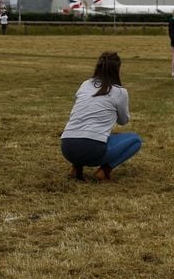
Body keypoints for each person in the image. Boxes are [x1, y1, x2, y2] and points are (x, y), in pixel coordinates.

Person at [60, 51, 142, 181]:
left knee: (94, 134)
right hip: (92, 149)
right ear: (117, 70)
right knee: (135, 140)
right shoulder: (120, 92)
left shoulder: (85, 84)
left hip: (67, 147)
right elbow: (123, 121)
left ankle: (76, 167)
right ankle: (105, 171)